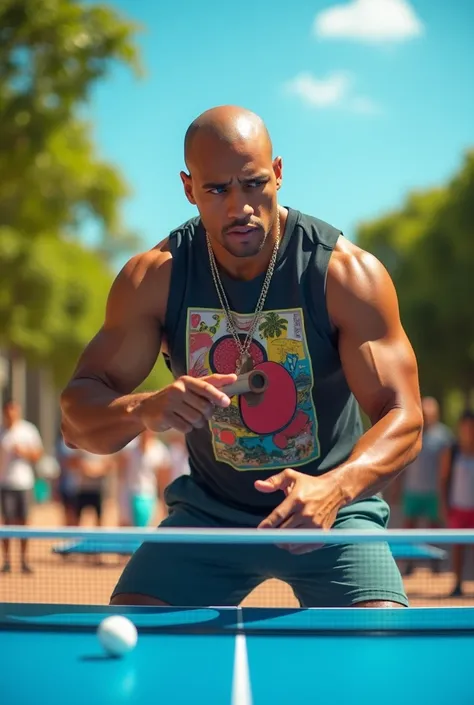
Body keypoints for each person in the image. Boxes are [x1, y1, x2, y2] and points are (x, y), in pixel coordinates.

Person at [60, 105, 423, 609]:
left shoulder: (344, 275)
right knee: (135, 640)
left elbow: (405, 417)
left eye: (254, 183)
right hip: (209, 515)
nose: (240, 207)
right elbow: (75, 420)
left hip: (332, 514)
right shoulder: (155, 280)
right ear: (189, 189)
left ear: (277, 173)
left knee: (379, 658)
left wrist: (337, 490)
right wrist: (144, 409)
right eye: (217, 190)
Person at [400, 396, 453, 573]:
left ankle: (435, 563)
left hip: (433, 492)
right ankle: (409, 563)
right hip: (412, 491)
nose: (426, 414)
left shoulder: (443, 437)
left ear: (435, 414)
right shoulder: (411, 433)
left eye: (429, 412)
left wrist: (442, 494)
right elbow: (405, 462)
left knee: (434, 531)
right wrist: (397, 487)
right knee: (409, 530)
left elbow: (445, 469)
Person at [0, 399, 43, 573]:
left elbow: (38, 455)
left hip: (24, 483)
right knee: (8, 522)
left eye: (14, 411)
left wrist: (24, 452)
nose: (11, 414)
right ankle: (8, 561)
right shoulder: (1, 432)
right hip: (5, 483)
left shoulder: (28, 430)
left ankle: (24, 560)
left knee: (24, 522)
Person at [440, 409, 474, 597]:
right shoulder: (452, 450)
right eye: (465, 426)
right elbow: (443, 479)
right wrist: (444, 505)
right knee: (458, 550)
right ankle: (458, 583)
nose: (468, 430)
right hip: (458, 508)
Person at [117, 429, 171, 527]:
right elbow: (121, 475)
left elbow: (162, 480)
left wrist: (163, 503)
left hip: (149, 496)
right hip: (130, 494)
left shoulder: (159, 451)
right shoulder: (129, 449)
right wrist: (121, 498)